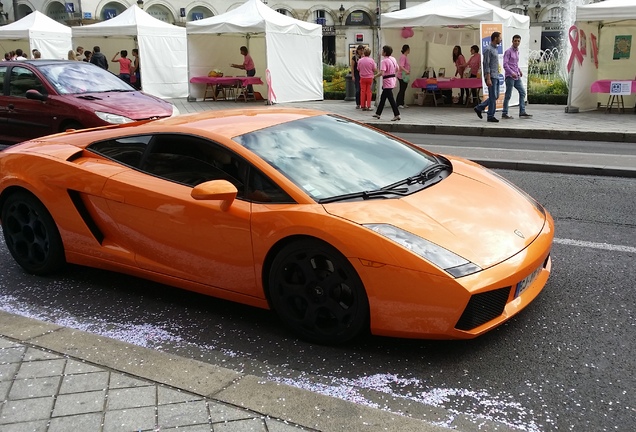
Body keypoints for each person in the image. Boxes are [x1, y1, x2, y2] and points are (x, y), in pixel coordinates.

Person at [502, 35, 533, 120]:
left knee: (522, 92)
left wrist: (519, 70)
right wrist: (511, 73)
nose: (517, 42)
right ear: (512, 41)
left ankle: (522, 112)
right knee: (508, 95)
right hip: (510, 76)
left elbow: (514, 63)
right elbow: (505, 64)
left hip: (516, 75)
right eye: (515, 41)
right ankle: (504, 113)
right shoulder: (508, 51)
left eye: (518, 41)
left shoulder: (517, 51)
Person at [474, 31, 502, 123]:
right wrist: (488, 77)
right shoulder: (488, 49)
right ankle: (490, 115)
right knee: (493, 96)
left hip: (496, 75)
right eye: (500, 37)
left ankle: (479, 107)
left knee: (496, 96)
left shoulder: (495, 49)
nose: (501, 39)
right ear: (495, 38)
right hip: (491, 76)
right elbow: (486, 64)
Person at [373, 45, 401, 121]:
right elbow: (397, 68)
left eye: (382, 51)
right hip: (392, 79)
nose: (382, 52)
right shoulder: (393, 59)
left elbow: (382, 73)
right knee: (383, 98)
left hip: (387, 81)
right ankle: (378, 113)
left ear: (385, 52)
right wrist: (392, 72)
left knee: (391, 99)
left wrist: (375, 76)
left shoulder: (384, 61)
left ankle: (397, 114)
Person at [357, 47, 376, 111]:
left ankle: (362, 105)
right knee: (369, 92)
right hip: (370, 78)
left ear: (364, 53)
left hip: (362, 78)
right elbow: (374, 69)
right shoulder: (371, 60)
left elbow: (358, 69)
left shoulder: (360, 60)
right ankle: (368, 106)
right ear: (369, 53)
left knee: (362, 91)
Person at [396, 44, 411, 109]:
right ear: (407, 49)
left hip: (405, 75)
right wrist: (406, 71)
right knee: (402, 89)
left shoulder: (405, 57)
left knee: (404, 89)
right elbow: (401, 66)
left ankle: (402, 102)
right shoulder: (403, 57)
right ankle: (398, 103)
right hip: (402, 75)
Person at [350, 45, 364, 109]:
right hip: (357, 74)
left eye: (362, 50)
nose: (361, 51)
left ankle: (363, 103)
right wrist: (353, 76)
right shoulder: (354, 58)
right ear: (357, 50)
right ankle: (358, 103)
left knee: (363, 89)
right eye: (360, 50)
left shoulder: (364, 57)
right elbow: (352, 67)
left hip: (363, 74)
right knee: (358, 89)